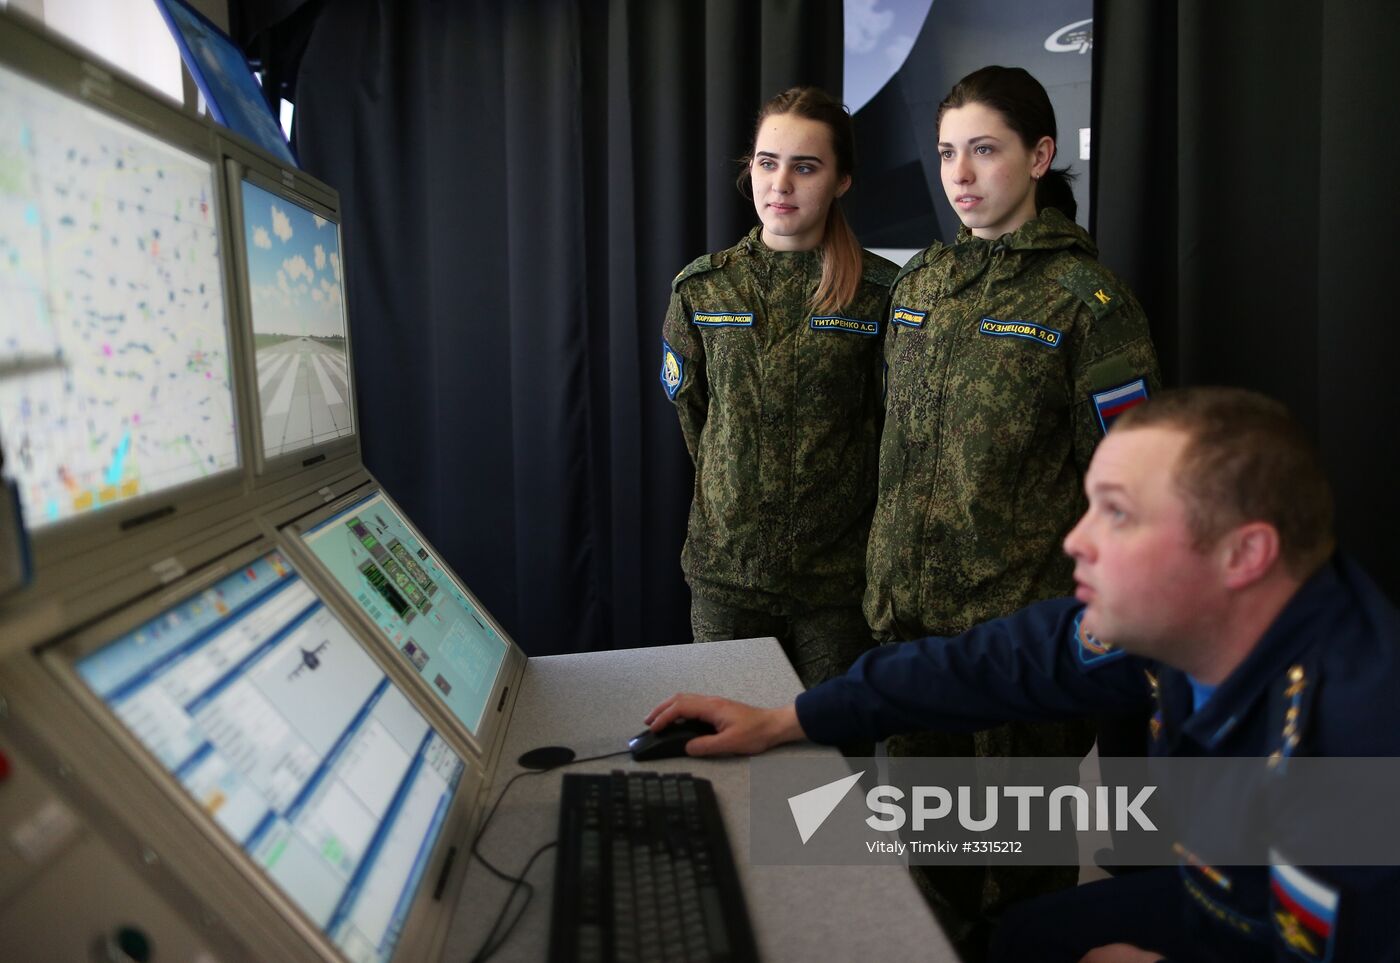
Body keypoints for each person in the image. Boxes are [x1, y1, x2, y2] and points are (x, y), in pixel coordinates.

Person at [646, 387, 1400, 962]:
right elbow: (984, 665)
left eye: (1117, 514)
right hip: (1222, 889)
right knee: (1028, 937)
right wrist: (793, 717)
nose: (1076, 540)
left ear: (1243, 555)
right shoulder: (1176, 623)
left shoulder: (1358, 743)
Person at [865, 64, 1162, 945]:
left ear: (1039, 156)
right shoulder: (918, 284)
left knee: (1019, 889)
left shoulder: (1089, 305)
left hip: (1015, 648)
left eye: (984, 150)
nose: (960, 173)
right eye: (949, 151)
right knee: (928, 872)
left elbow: (1133, 485)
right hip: (911, 632)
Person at [660, 87, 895, 689]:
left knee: (833, 774)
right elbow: (696, 418)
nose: (781, 183)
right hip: (726, 576)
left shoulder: (883, 293)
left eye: (805, 166)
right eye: (768, 163)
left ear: (841, 180)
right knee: (734, 764)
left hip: (837, 584)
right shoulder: (704, 289)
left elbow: (896, 426)